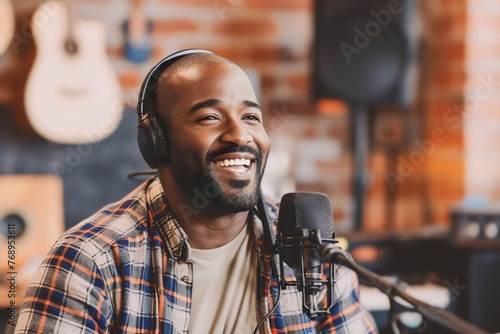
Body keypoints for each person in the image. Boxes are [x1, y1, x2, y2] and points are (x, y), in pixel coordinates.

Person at [14, 49, 378, 333]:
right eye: (210, 118)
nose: (240, 135)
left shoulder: (310, 248)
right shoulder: (90, 261)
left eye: (251, 117)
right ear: (157, 143)